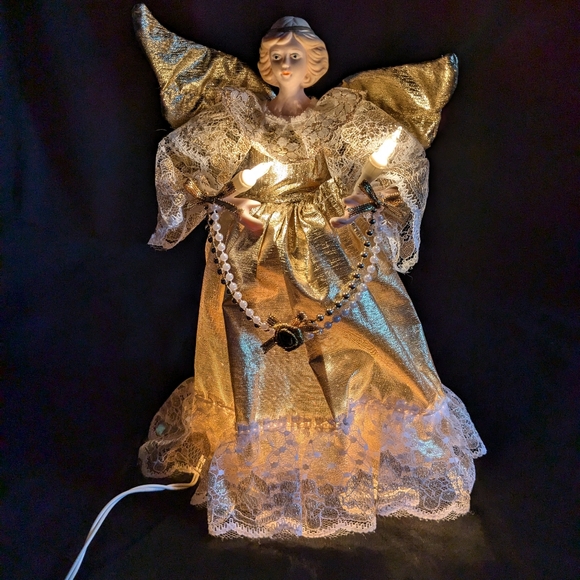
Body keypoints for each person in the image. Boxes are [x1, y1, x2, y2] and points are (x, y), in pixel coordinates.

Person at [139, 16, 486, 538]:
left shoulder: (341, 116)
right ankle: (268, 468)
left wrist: (364, 197)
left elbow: (399, 159)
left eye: (295, 57)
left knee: (364, 339)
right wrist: (232, 200)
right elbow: (190, 162)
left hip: (331, 248)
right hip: (256, 253)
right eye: (277, 58)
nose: (286, 66)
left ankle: (366, 449)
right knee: (258, 351)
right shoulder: (240, 118)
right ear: (266, 65)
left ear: (314, 64)